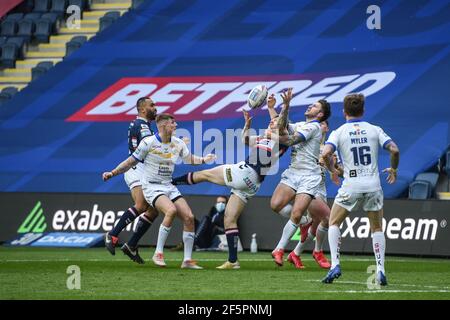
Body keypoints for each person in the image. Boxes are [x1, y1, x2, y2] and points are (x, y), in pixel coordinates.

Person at [172, 92, 291, 269]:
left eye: (274, 122)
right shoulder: (265, 138)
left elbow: (281, 124)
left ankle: (170, 183)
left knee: (204, 174)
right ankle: (233, 261)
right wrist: (247, 125)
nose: (271, 122)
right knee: (229, 218)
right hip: (252, 183)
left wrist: (283, 107)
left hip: (246, 173)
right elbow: (245, 140)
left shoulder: (281, 138)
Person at [103, 113, 215, 269]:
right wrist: (113, 173)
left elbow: (189, 159)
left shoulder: (178, 143)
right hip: (151, 186)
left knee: (189, 217)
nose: (176, 125)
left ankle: (187, 261)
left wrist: (204, 159)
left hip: (168, 185)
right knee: (170, 210)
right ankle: (158, 253)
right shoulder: (148, 143)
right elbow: (130, 162)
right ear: (163, 125)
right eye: (172, 123)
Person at [321, 93, 400, 285]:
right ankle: (380, 270)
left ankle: (335, 265)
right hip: (373, 186)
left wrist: (333, 171)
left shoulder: (338, 132)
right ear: (363, 110)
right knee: (377, 228)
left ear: (344, 111)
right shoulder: (374, 129)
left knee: (333, 223)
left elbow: (326, 153)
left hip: (351, 184)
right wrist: (394, 169)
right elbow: (394, 149)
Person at [267, 89, 331, 268]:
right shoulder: (302, 124)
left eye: (315, 106)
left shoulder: (315, 126)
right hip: (293, 172)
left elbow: (290, 140)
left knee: (296, 212)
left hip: (309, 177)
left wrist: (271, 136)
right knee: (275, 205)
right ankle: (305, 223)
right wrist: (279, 107)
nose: (311, 106)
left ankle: (280, 249)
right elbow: (282, 126)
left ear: (320, 114)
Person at [104, 97, 159, 264]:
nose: (155, 108)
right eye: (152, 106)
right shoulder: (142, 126)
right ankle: (113, 234)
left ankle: (132, 244)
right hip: (137, 169)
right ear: (142, 109)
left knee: (153, 210)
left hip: (140, 169)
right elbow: (151, 147)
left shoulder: (142, 125)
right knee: (142, 205)